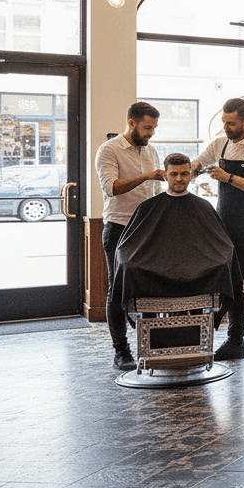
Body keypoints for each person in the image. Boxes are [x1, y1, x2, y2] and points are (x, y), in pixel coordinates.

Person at [193, 98, 244, 366]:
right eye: (223, 122)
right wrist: (185, 172)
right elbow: (198, 163)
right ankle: (235, 342)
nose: (226, 127)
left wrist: (228, 177)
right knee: (233, 285)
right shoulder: (219, 144)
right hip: (225, 223)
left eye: (231, 123)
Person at [109, 154, 236, 315]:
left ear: (191, 174)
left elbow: (223, 245)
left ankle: (195, 334)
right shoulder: (148, 207)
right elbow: (127, 247)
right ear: (165, 175)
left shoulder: (203, 206)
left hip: (196, 274)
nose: (179, 179)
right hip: (155, 275)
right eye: (173, 174)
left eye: (184, 174)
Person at [93, 101, 164, 371]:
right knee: (118, 289)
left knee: (151, 288)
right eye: (147, 127)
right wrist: (147, 176)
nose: (151, 133)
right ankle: (121, 351)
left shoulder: (153, 151)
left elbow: (155, 193)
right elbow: (111, 188)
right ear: (131, 123)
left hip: (148, 228)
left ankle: (153, 345)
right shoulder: (108, 150)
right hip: (119, 228)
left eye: (154, 128)